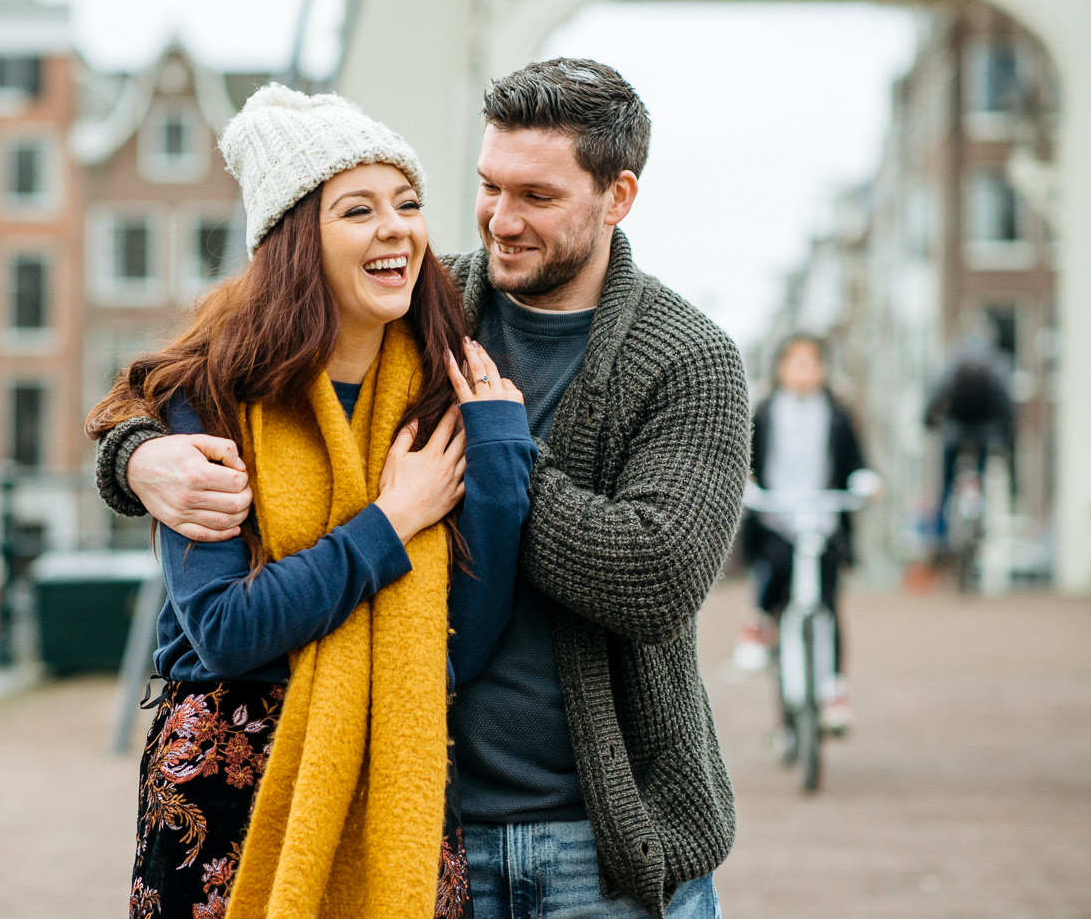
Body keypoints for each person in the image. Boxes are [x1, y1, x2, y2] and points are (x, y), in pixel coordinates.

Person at [96, 59, 750, 919]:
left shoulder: (687, 358)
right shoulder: (421, 303)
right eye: (488, 186)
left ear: (617, 197)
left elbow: (653, 573)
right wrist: (136, 457)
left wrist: (500, 459)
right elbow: (230, 357)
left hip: (601, 846)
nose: (502, 220)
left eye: (537, 197)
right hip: (429, 827)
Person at [85, 84, 536, 919]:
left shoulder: (436, 397)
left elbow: (458, 649)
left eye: (407, 202)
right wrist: (392, 520)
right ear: (296, 239)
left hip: (393, 775)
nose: (395, 227)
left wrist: (500, 453)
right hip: (229, 789)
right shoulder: (210, 400)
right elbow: (225, 629)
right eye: (357, 210)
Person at [734, 334, 867, 732]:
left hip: (823, 519)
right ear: (781, 368)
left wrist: (863, 482)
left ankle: (834, 690)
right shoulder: (765, 411)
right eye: (795, 362)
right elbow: (746, 459)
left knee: (827, 603)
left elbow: (856, 462)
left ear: (823, 369)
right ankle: (757, 623)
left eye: (812, 362)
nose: (804, 370)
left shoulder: (839, 415)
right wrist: (747, 483)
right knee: (773, 567)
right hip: (778, 517)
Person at [924, 328, 1015, 554]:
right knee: (981, 477)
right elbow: (1006, 403)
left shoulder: (952, 361)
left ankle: (941, 536)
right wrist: (1005, 432)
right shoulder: (996, 363)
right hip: (985, 434)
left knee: (946, 485)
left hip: (953, 433)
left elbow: (935, 393)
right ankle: (979, 520)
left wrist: (927, 420)